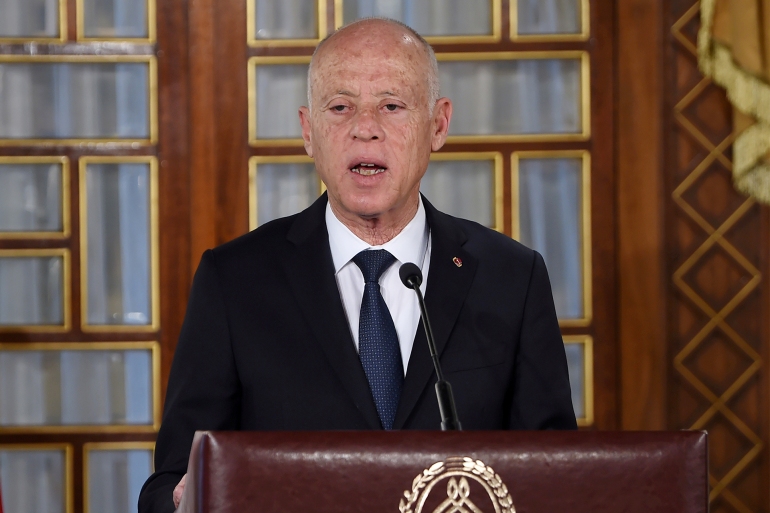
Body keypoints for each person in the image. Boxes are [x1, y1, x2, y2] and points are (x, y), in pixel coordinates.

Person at [139, 17, 576, 513]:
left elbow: (555, 478)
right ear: (309, 131)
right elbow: (170, 482)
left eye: (391, 106)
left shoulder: (511, 278)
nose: (365, 129)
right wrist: (183, 502)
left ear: (438, 125)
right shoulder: (234, 281)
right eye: (340, 107)